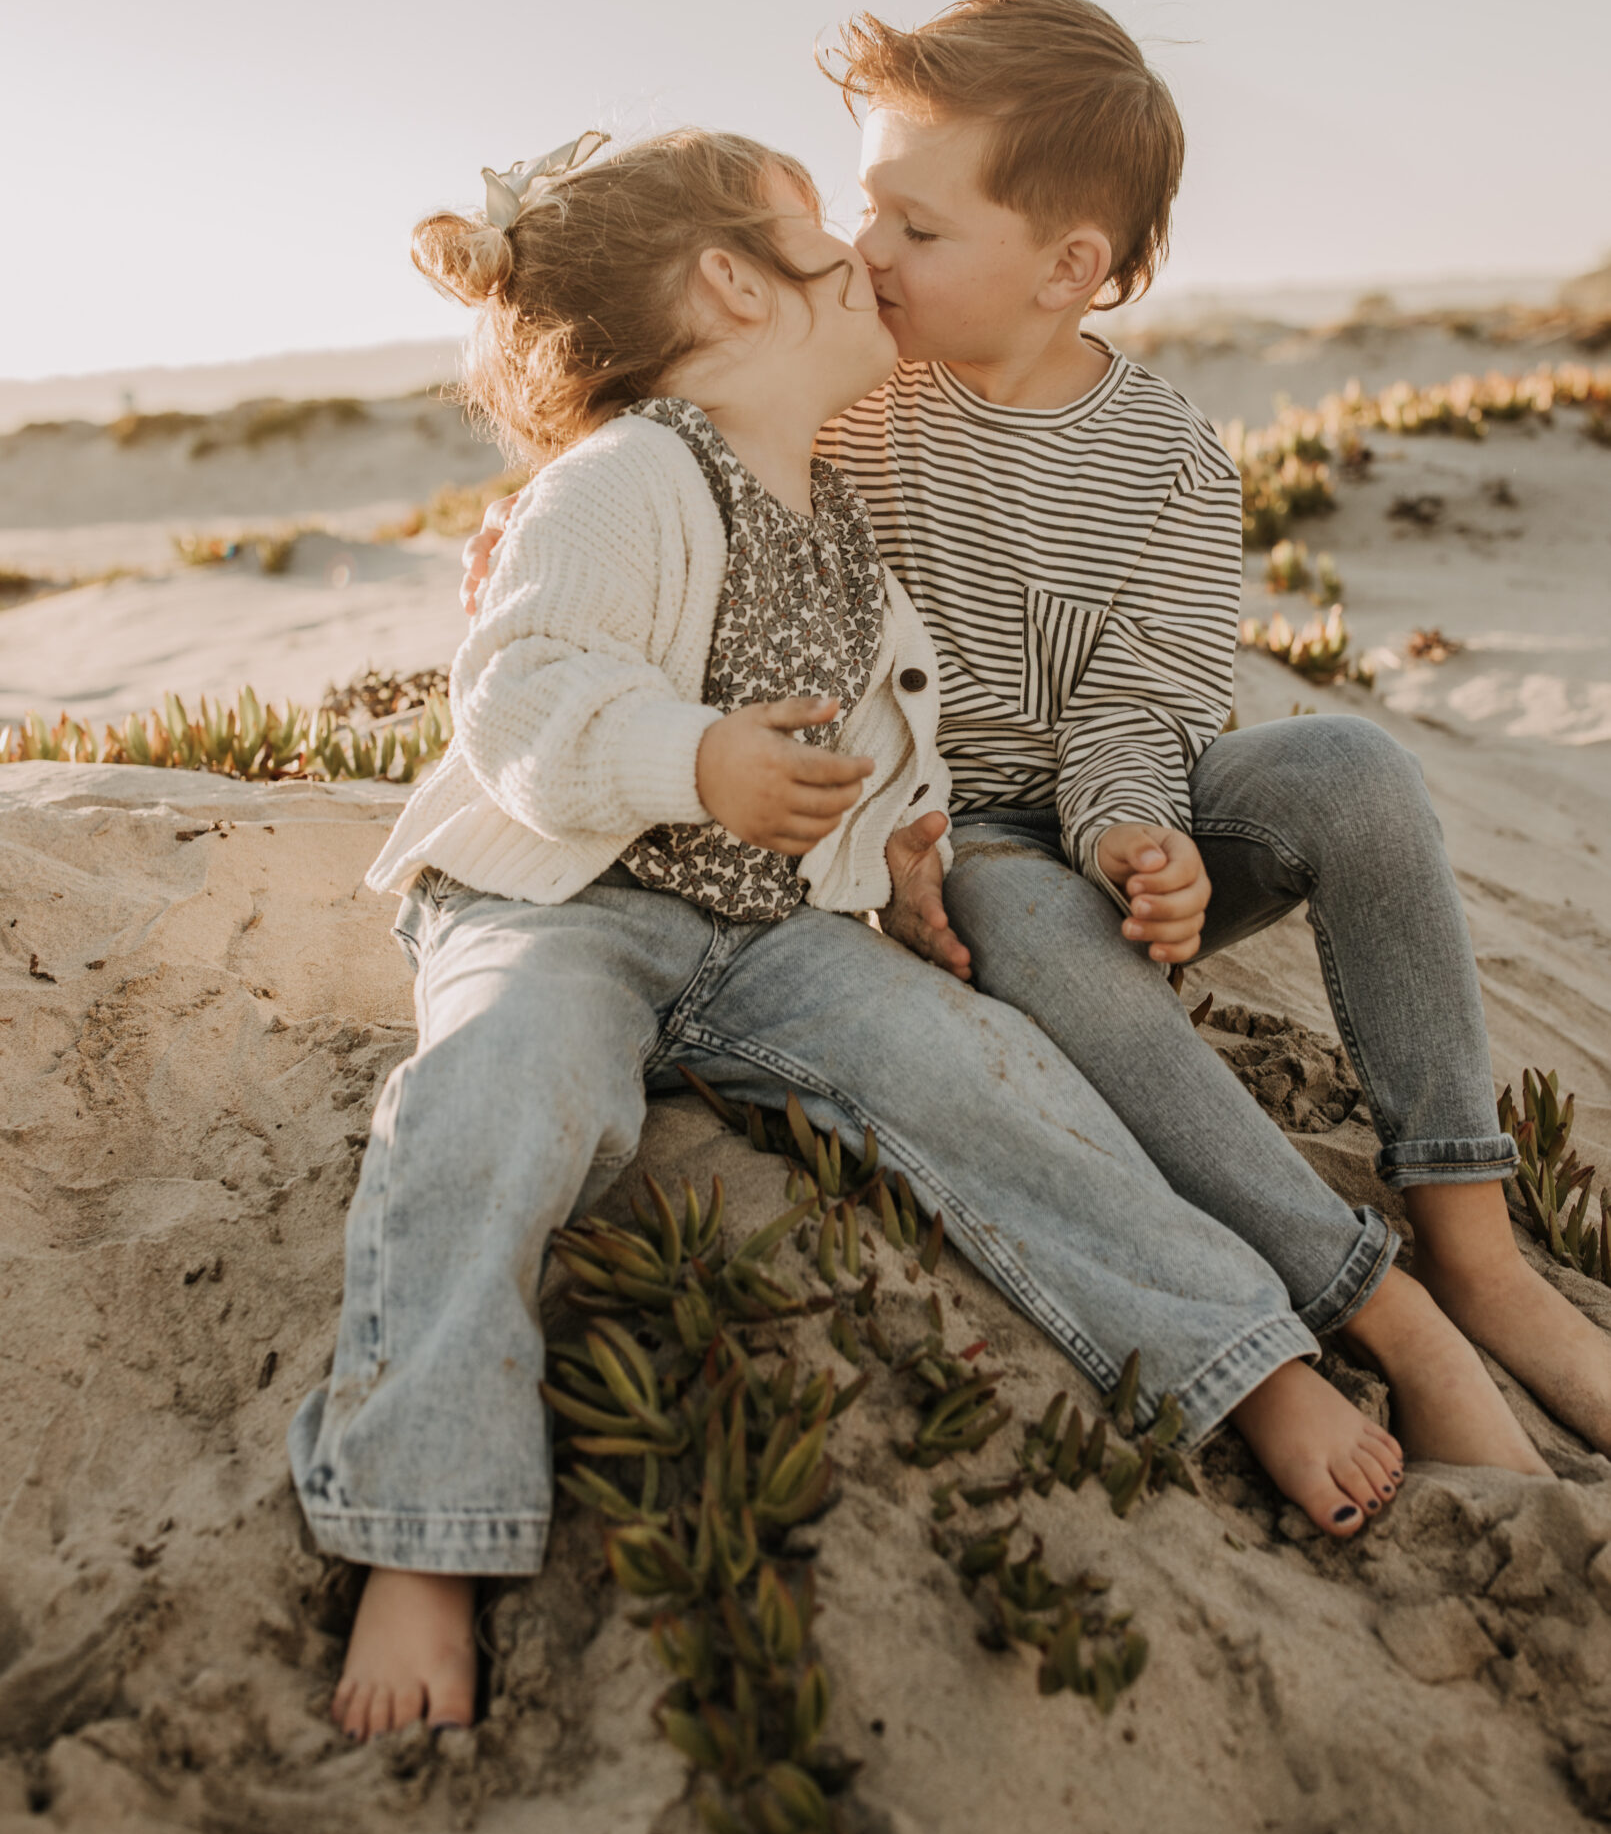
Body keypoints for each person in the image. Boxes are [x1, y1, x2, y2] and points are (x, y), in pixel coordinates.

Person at [294, 125, 1472, 1744]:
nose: (867, 255)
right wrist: (689, 758)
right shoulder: (625, 476)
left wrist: (901, 866)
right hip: (560, 904)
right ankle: (419, 1530)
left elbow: (874, 759)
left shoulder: (844, 516)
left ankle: (1242, 1359)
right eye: (827, 237)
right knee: (492, 1098)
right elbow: (516, 694)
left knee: (1003, 1088)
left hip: (774, 938)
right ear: (732, 284)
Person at [810, 0, 1608, 1466]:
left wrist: (1136, 834)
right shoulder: (847, 404)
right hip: (950, 854)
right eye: (871, 210)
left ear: (1070, 266)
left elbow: (1149, 696)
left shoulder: (1167, 455)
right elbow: (698, 490)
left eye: (918, 230)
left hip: (1121, 815)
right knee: (1027, 912)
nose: (869, 254)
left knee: (1353, 767)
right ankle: (1380, 1308)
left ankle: (1476, 1250)